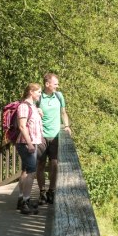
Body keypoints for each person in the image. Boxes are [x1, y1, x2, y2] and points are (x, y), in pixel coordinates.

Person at [36, 72, 71, 204]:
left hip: (56, 135)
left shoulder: (59, 96)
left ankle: (51, 190)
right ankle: (42, 192)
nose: (57, 86)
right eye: (55, 84)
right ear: (47, 84)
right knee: (40, 164)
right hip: (41, 136)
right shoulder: (39, 98)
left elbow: (63, 112)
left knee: (54, 164)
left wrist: (66, 125)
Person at [16, 83, 43, 215]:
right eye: (38, 92)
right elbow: (22, 126)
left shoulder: (33, 106)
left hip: (31, 143)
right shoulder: (23, 106)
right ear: (31, 92)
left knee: (26, 171)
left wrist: (39, 114)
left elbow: (32, 124)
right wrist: (30, 144)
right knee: (31, 172)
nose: (40, 94)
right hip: (26, 143)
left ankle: (21, 199)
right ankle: (25, 203)